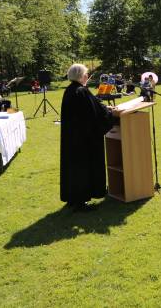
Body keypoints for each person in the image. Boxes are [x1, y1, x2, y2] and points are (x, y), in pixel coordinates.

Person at [60, 64, 118, 211]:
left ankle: (73, 198)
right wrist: (109, 113)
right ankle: (80, 202)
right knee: (83, 168)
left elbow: (93, 106)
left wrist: (104, 108)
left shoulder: (70, 90)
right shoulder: (81, 91)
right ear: (81, 76)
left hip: (72, 138)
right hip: (83, 138)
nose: (87, 77)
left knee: (73, 168)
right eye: (86, 74)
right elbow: (95, 112)